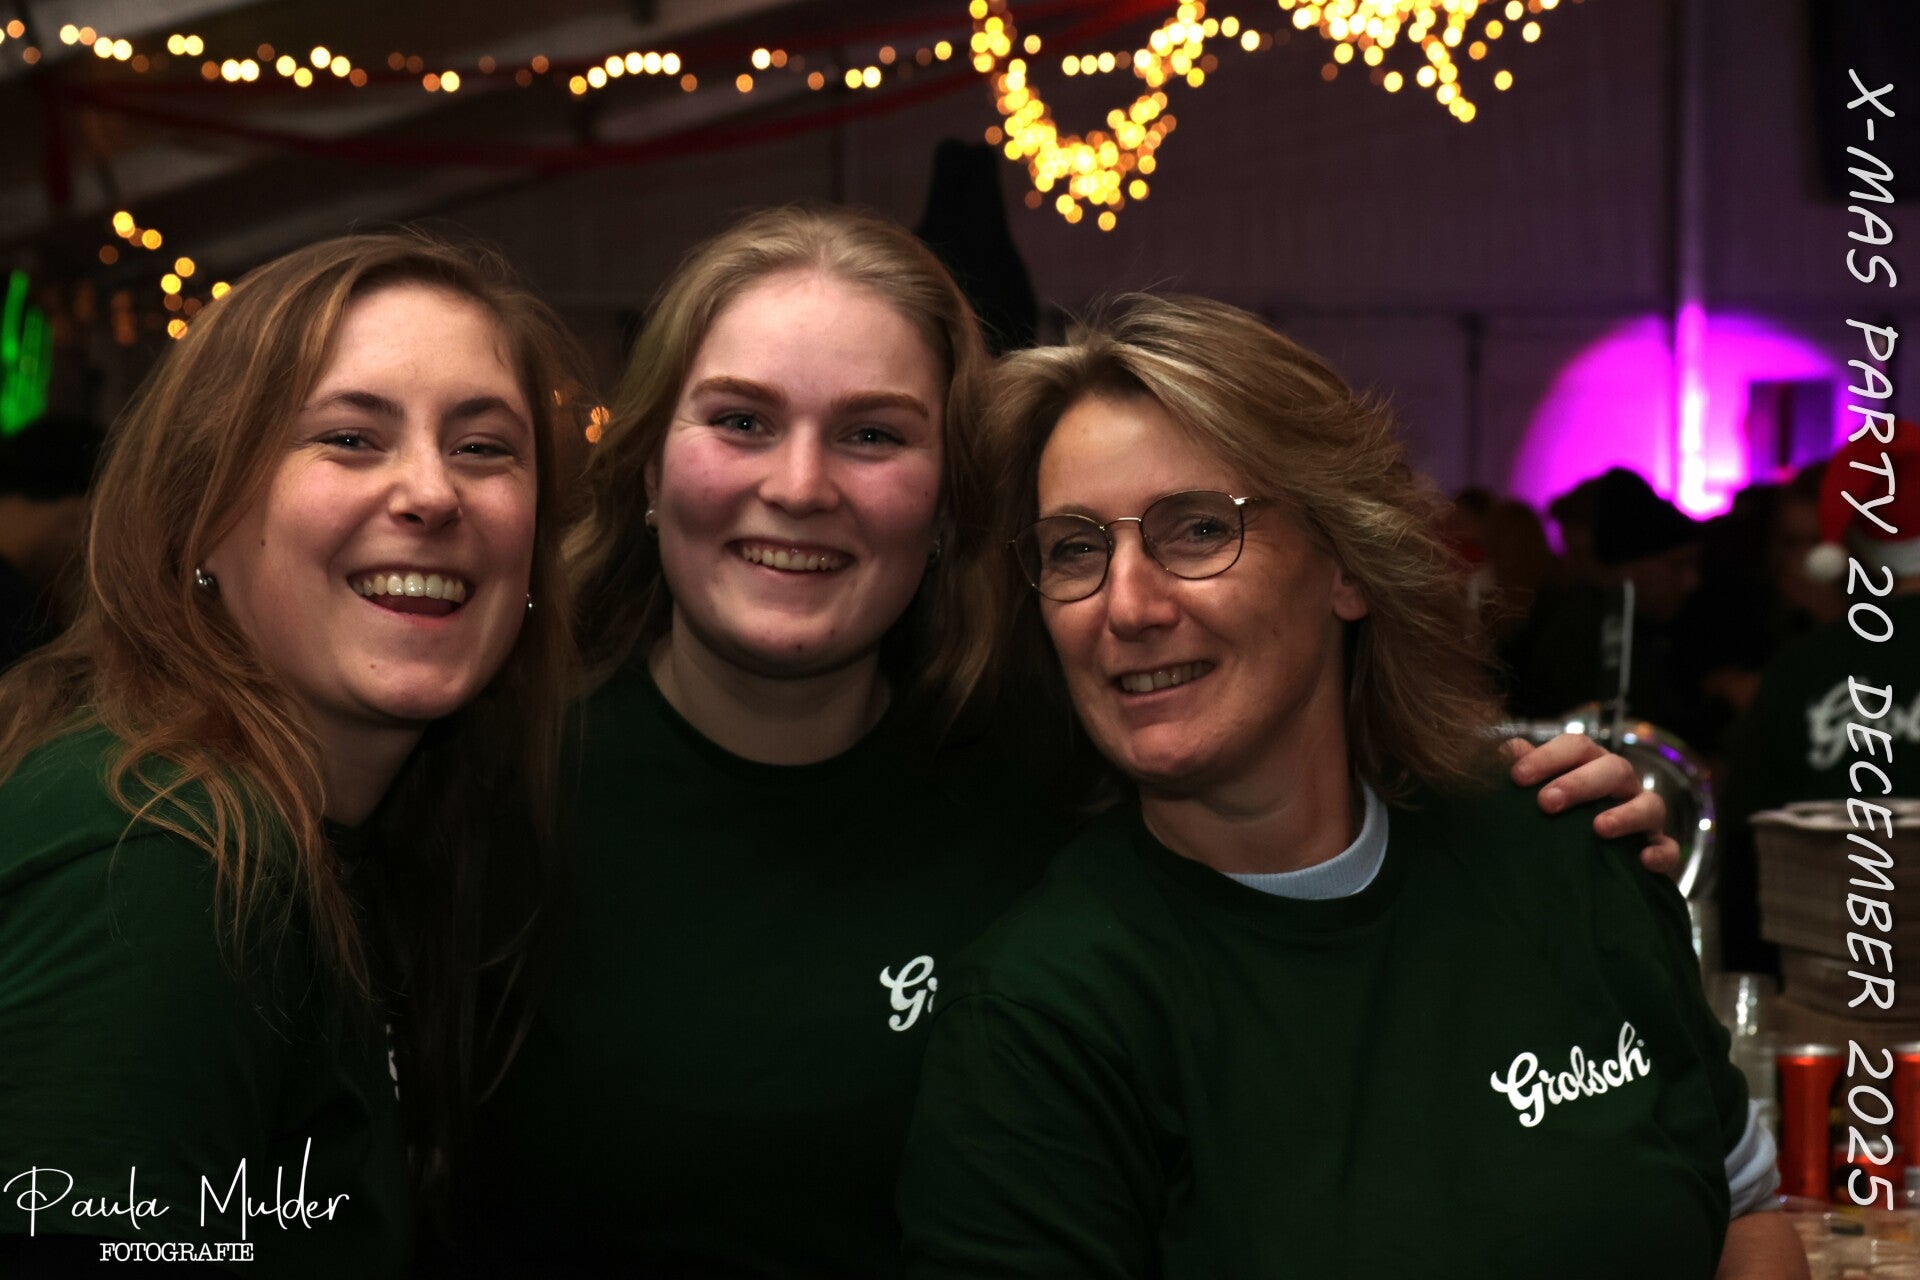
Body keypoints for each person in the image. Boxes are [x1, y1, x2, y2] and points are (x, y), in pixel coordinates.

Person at [456, 207, 1680, 1278]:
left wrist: (1537, 825)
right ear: (648, 466)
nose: (803, 484)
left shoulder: (1052, 770)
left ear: (951, 505)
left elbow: (1307, 828)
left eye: (874, 434)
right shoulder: (488, 791)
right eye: (740, 419)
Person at [897, 295, 1798, 1278]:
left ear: (1347, 567)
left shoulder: (1565, 848)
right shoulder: (1043, 1019)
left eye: (1196, 529)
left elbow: (1747, 1219)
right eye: (1076, 548)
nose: (1127, 604)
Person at [0, 232, 586, 1277]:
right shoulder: (160, 856)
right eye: (351, 437)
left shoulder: (378, 827)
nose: (433, 492)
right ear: (198, 514)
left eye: (484, 447)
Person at [1716, 422, 1920, 975]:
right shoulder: (1798, 660)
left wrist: (1750, 984)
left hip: (1829, 974)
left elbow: (1746, 845)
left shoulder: (1802, 669)